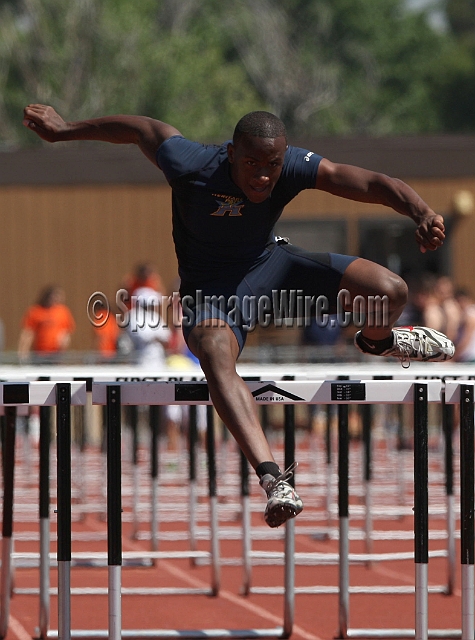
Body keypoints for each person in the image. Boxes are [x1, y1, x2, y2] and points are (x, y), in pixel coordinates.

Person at [22, 103, 455, 527]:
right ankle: (273, 479)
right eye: (252, 163)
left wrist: (420, 211)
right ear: (231, 153)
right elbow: (141, 128)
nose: (264, 176)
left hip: (271, 269)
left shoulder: (290, 167)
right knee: (213, 350)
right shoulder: (192, 163)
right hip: (211, 294)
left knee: (388, 290)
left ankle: (379, 340)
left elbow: (363, 181)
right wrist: (65, 130)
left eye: (273, 165)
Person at [18, 284, 76, 363]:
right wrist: (23, 352)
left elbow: (67, 332)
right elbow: (28, 333)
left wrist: (64, 346)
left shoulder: (63, 311)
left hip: (56, 354)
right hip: (39, 354)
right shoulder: (36, 311)